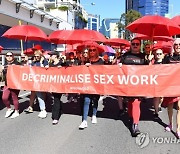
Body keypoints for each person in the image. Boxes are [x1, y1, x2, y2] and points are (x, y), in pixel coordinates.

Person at [120, 38, 148, 136]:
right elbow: (119, 69)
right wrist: (119, 65)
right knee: (130, 103)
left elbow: (150, 71)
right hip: (128, 84)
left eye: (137, 44)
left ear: (140, 45)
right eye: (133, 44)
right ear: (130, 45)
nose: (135, 45)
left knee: (136, 103)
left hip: (139, 85)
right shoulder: (125, 56)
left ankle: (135, 125)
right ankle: (131, 118)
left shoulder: (144, 57)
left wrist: (150, 62)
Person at [79, 45, 104, 129]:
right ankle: (84, 120)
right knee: (86, 100)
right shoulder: (85, 60)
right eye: (90, 50)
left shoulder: (100, 61)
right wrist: (84, 66)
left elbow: (102, 71)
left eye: (94, 50)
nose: (92, 52)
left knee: (95, 100)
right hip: (87, 84)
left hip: (97, 84)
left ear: (96, 51)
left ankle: (94, 115)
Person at [163, 38, 180, 138]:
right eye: (176, 44)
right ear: (173, 46)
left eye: (179, 44)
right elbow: (161, 69)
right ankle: (170, 123)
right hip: (170, 85)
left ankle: (178, 129)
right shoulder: (168, 57)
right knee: (170, 105)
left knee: (179, 107)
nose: (178, 46)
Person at [27, 50, 49, 118]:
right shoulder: (34, 62)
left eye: (38, 56)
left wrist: (41, 62)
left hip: (41, 81)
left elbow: (46, 68)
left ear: (40, 56)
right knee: (33, 94)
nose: (36, 57)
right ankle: (31, 107)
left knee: (39, 95)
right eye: (35, 56)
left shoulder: (44, 61)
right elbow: (31, 69)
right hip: (35, 81)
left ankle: (43, 110)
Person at [2, 52, 20, 118]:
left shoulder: (17, 63)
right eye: (7, 55)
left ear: (13, 56)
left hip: (14, 83)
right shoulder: (5, 64)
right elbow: (4, 74)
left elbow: (21, 69)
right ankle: (9, 109)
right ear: (6, 57)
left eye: (10, 55)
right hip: (7, 83)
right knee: (4, 97)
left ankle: (16, 111)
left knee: (14, 97)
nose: (9, 57)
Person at [48, 51, 63, 125]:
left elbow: (69, 70)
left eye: (51, 55)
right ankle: (60, 109)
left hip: (60, 84)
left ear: (56, 56)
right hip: (53, 84)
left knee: (56, 99)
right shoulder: (50, 64)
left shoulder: (62, 63)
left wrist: (63, 68)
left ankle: (55, 117)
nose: (50, 56)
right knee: (56, 99)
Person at [152, 48, 164, 119]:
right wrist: (149, 61)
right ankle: (156, 112)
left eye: (160, 54)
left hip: (163, 82)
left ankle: (159, 105)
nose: (158, 55)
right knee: (156, 97)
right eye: (157, 54)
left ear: (162, 55)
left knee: (161, 96)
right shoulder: (153, 63)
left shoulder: (166, 62)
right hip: (155, 81)